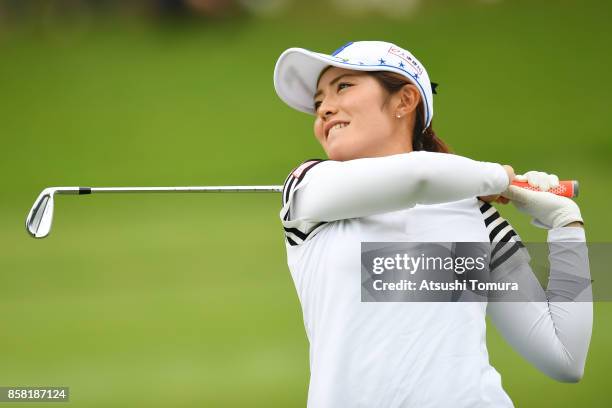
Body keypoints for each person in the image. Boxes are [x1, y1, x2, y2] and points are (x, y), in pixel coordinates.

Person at [273, 41, 592, 407]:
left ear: (405, 101)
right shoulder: (309, 188)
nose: (325, 109)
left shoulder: (478, 217)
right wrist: (498, 178)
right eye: (317, 103)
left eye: (343, 86)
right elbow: (419, 175)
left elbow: (565, 358)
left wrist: (566, 225)